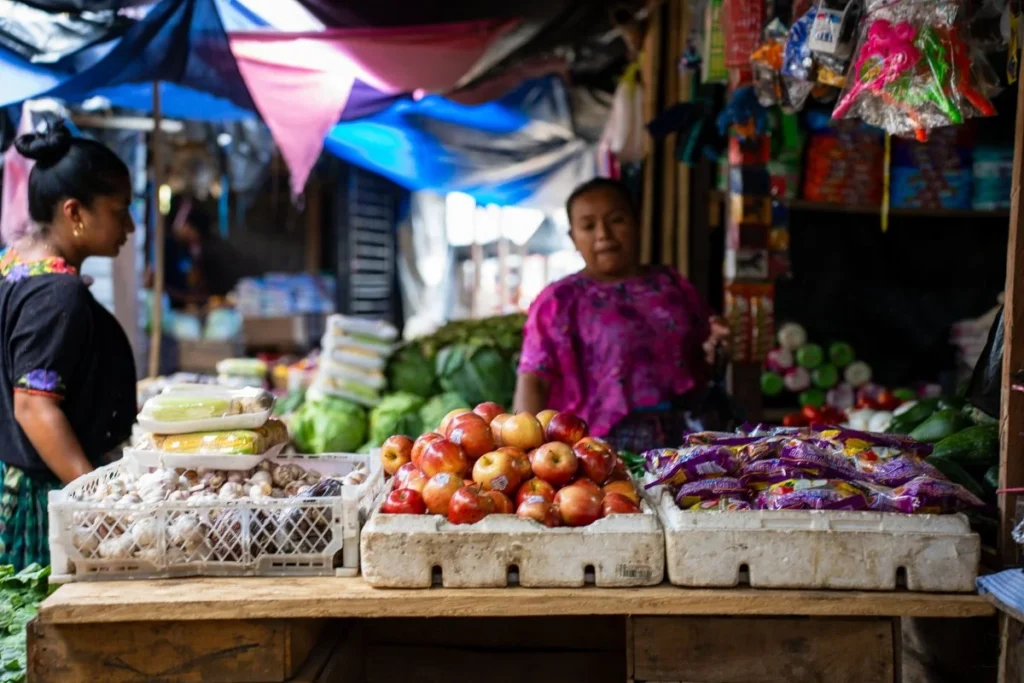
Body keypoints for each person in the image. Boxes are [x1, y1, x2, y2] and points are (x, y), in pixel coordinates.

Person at [0, 121, 137, 570]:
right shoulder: (57, 293)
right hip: (43, 504)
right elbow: (34, 406)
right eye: (120, 211)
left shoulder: (14, 266)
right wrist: (100, 502)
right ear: (75, 212)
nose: (130, 226)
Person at [513, 178, 729, 452]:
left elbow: (705, 354)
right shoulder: (558, 301)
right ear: (573, 238)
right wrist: (526, 452)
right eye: (588, 226)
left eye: (616, 220)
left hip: (686, 440)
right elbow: (532, 381)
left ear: (636, 222)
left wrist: (718, 343)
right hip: (598, 448)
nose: (603, 234)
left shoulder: (670, 284)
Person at [169, 196, 246, 301]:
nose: (178, 228)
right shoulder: (187, 248)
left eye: (183, 224)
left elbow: (217, 286)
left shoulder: (212, 250)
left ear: (193, 228)